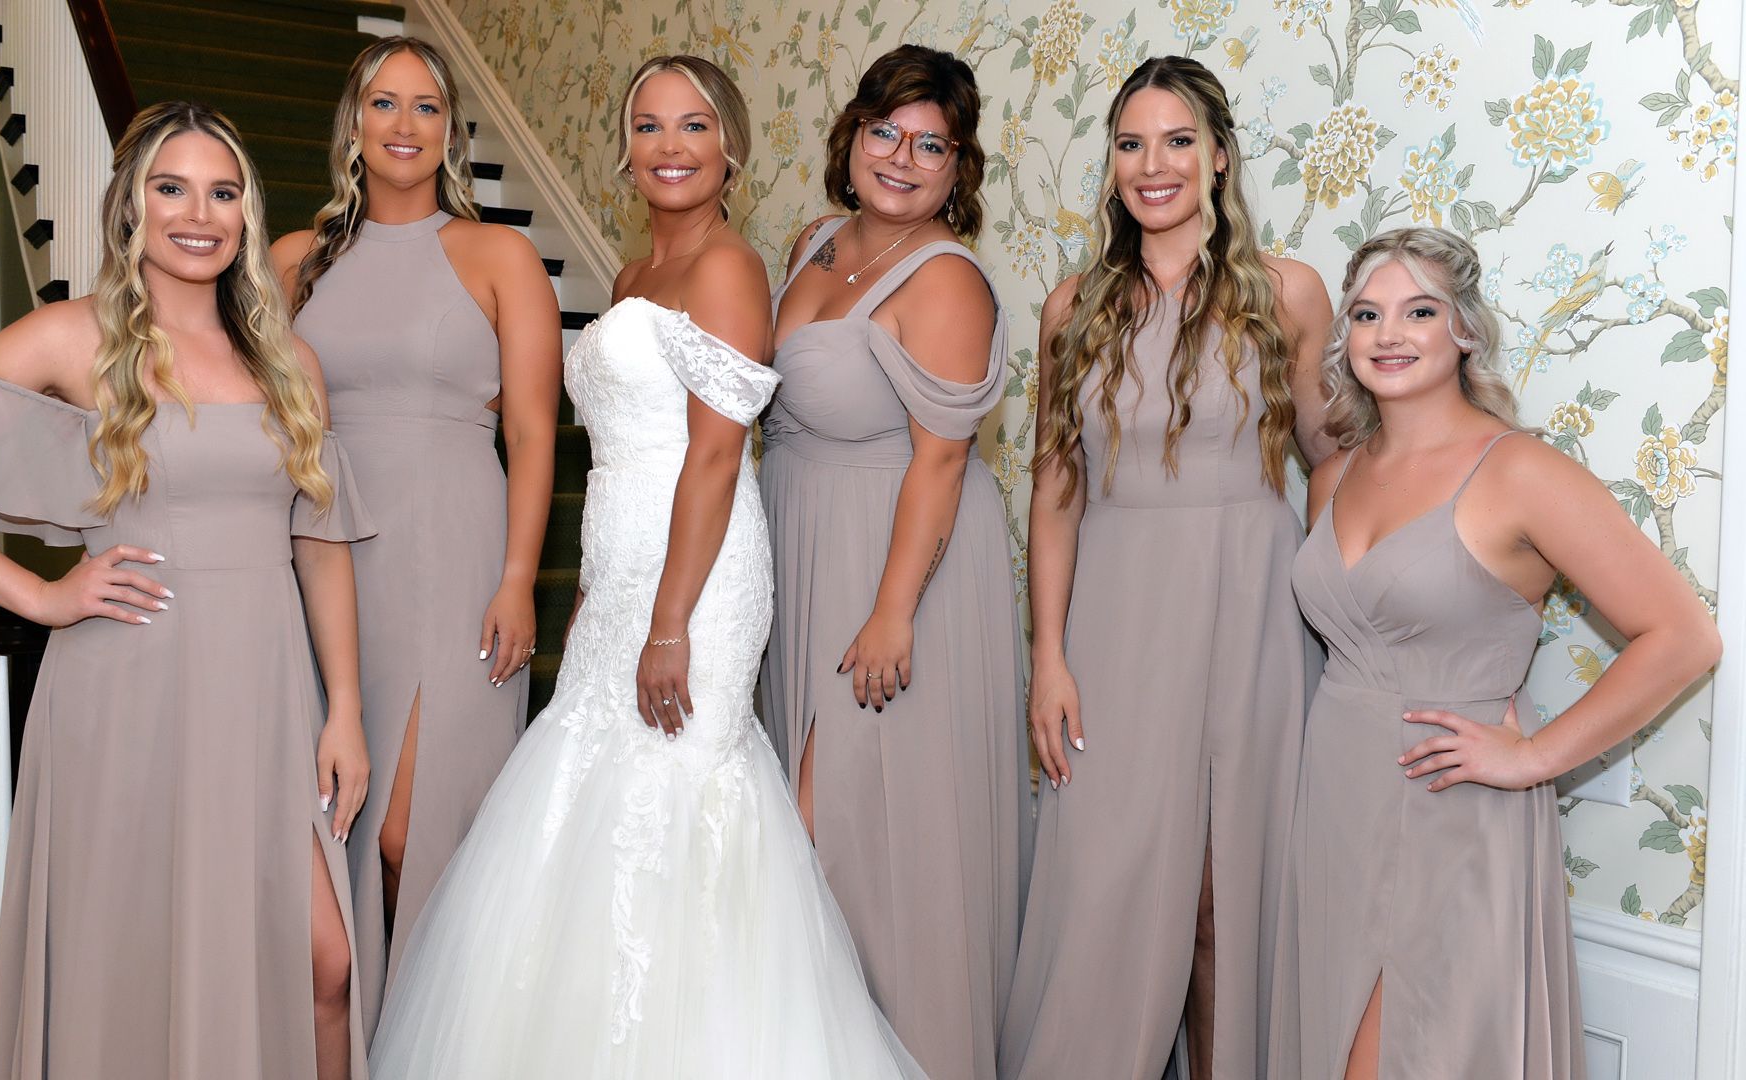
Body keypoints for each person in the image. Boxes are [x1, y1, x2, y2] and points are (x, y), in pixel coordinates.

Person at [365, 55, 919, 1077]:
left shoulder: (727, 268)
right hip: (621, 573)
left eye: (695, 126)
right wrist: (593, 596)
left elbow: (715, 455)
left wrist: (669, 622)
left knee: (675, 796)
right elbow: (615, 458)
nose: (671, 146)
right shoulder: (628, 277)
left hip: (697, 580)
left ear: (732, 150)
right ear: (627, 150)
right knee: (586, 791)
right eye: (651, 126)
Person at [0, 102, 375, 1079]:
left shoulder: (289, 361)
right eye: (170, 188)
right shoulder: (72, 338)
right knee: (136, 962)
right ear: (131, 207)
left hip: (264, 698)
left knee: (326, 965)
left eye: (223, 192)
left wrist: (342, 708)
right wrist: (38, 595)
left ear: (247, 214)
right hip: (129, 687)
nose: (199, 213)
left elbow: (321, 544)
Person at [1270, 226, 1720, 1079]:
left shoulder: (1518, 472)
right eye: (1367, 313)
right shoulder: (1334, 475)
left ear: (1465, 331)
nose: (1389, 333)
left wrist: (1534, 757)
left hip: (1452, 807)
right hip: (1333, 803)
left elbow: (1683, 637)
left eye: (1420, 310)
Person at [999, 55, 1335, 1080]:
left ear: (1220, 158)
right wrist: (1047, 657)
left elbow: (1334, 463)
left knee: (1221, 898)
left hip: (1253, 616)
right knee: (1106, 882)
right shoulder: (1071, 310)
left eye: (1179, 141)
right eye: (1132, 143)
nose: (1156, 165)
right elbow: (1056, 491)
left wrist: (1332, 613)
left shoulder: (1290, 293)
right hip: (1115, 620)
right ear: (1110, 167)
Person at [270, 36, 560, 1038]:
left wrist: (520, 577)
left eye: (426, 106)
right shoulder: (291, 263)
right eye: (384, 104)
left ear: (451, 128)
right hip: (327, 556)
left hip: (455, 549)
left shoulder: (500, 254)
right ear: (354, 124)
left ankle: (446, 1046)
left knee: (414, 831)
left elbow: (531, 430)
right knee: (335, 828)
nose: (404, 125)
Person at [761, 43, 1025, 1080]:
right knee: (796, 839)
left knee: (856, 847)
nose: (904, 160)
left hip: (898, 566)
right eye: (887, 134)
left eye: (933, 146)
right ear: (853, 136)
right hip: (801, 543)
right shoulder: (814, 242)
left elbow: (943, 458)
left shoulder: (948, 280)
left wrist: (892, 611)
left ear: (958, 170)